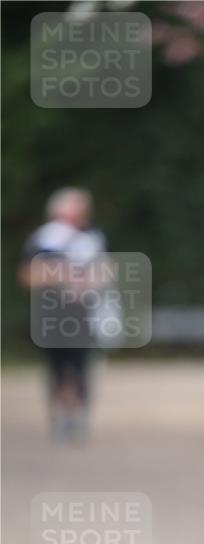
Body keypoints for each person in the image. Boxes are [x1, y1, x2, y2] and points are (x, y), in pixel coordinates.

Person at [19, 187, 107, 442]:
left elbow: (106, 271)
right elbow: (27, 276)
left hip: (84, 314)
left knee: (80, 365)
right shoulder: (43, 240)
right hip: (52, 314)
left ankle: (77, 414)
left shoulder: (93, 238)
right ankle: (60, 414)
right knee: (56, 367)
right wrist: (62, 276)